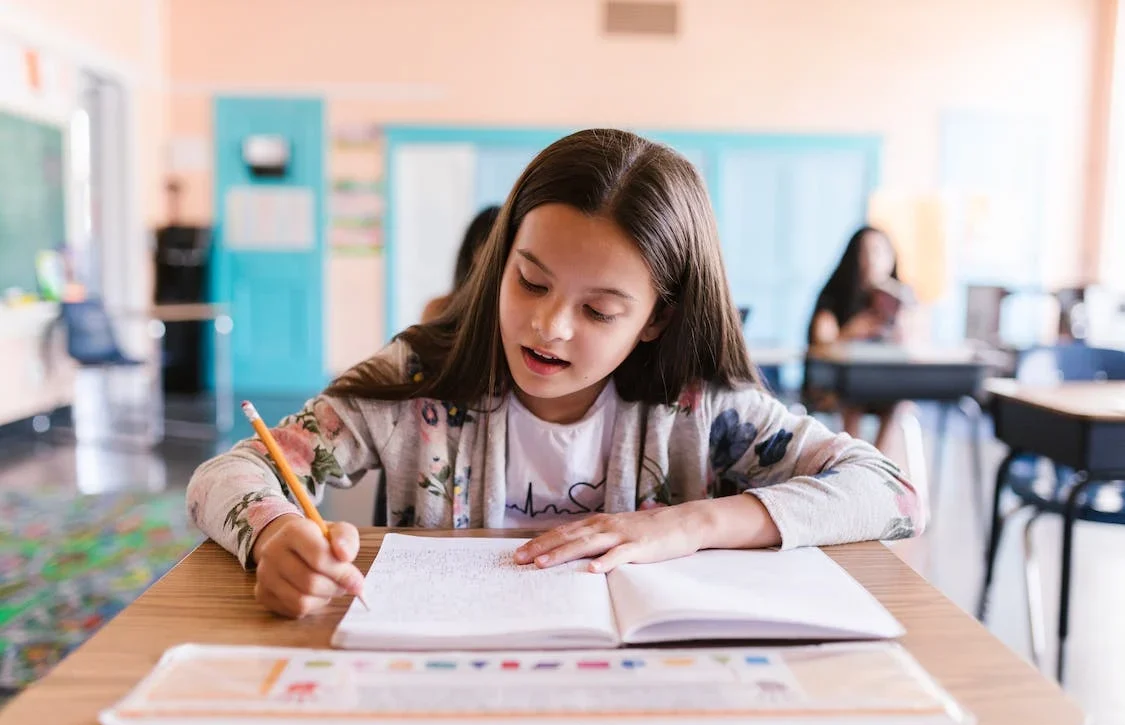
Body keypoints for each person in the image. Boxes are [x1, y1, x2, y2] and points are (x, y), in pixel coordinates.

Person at [187, 130, 921, 619]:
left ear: (655, 318)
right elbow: (225, 474)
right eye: (530, 282)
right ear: (499, 259)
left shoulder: (698, 405)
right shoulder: (421, 379)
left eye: (599, 310)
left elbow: (893, 491)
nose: (548, 326)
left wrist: (687, 523)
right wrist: (275, 530)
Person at [807, 226, 914, 452]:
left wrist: (903, 323)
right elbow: (822, 343)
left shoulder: (899, 302)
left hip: (883, 387)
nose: (873, 260)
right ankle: (856, 464)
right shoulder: (835, 298)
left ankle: (876, 464)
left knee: (897, 400)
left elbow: (915, 348)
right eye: (866, 252)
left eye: (881, 252)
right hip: (838, 387)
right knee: (854, 396)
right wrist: (853, 331)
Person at [421, 206, 501, 323]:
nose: (499, 258)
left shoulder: (506, 314)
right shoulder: (439, 309)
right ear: (474, 251)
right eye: (492, 247)